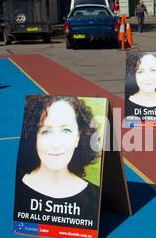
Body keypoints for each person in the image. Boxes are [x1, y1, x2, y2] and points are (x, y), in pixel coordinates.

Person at [14, 96, 100, 228]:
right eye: (46, 132)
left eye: (66, 130)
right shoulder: (15, 192)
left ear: (78, 136)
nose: (56, 144)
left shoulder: (96, 197)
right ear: (34, 137)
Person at [125, 52, 156, 117]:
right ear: (133, 75)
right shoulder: (123, 104)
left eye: (153, 70)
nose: (147, 77)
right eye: (140, 72)